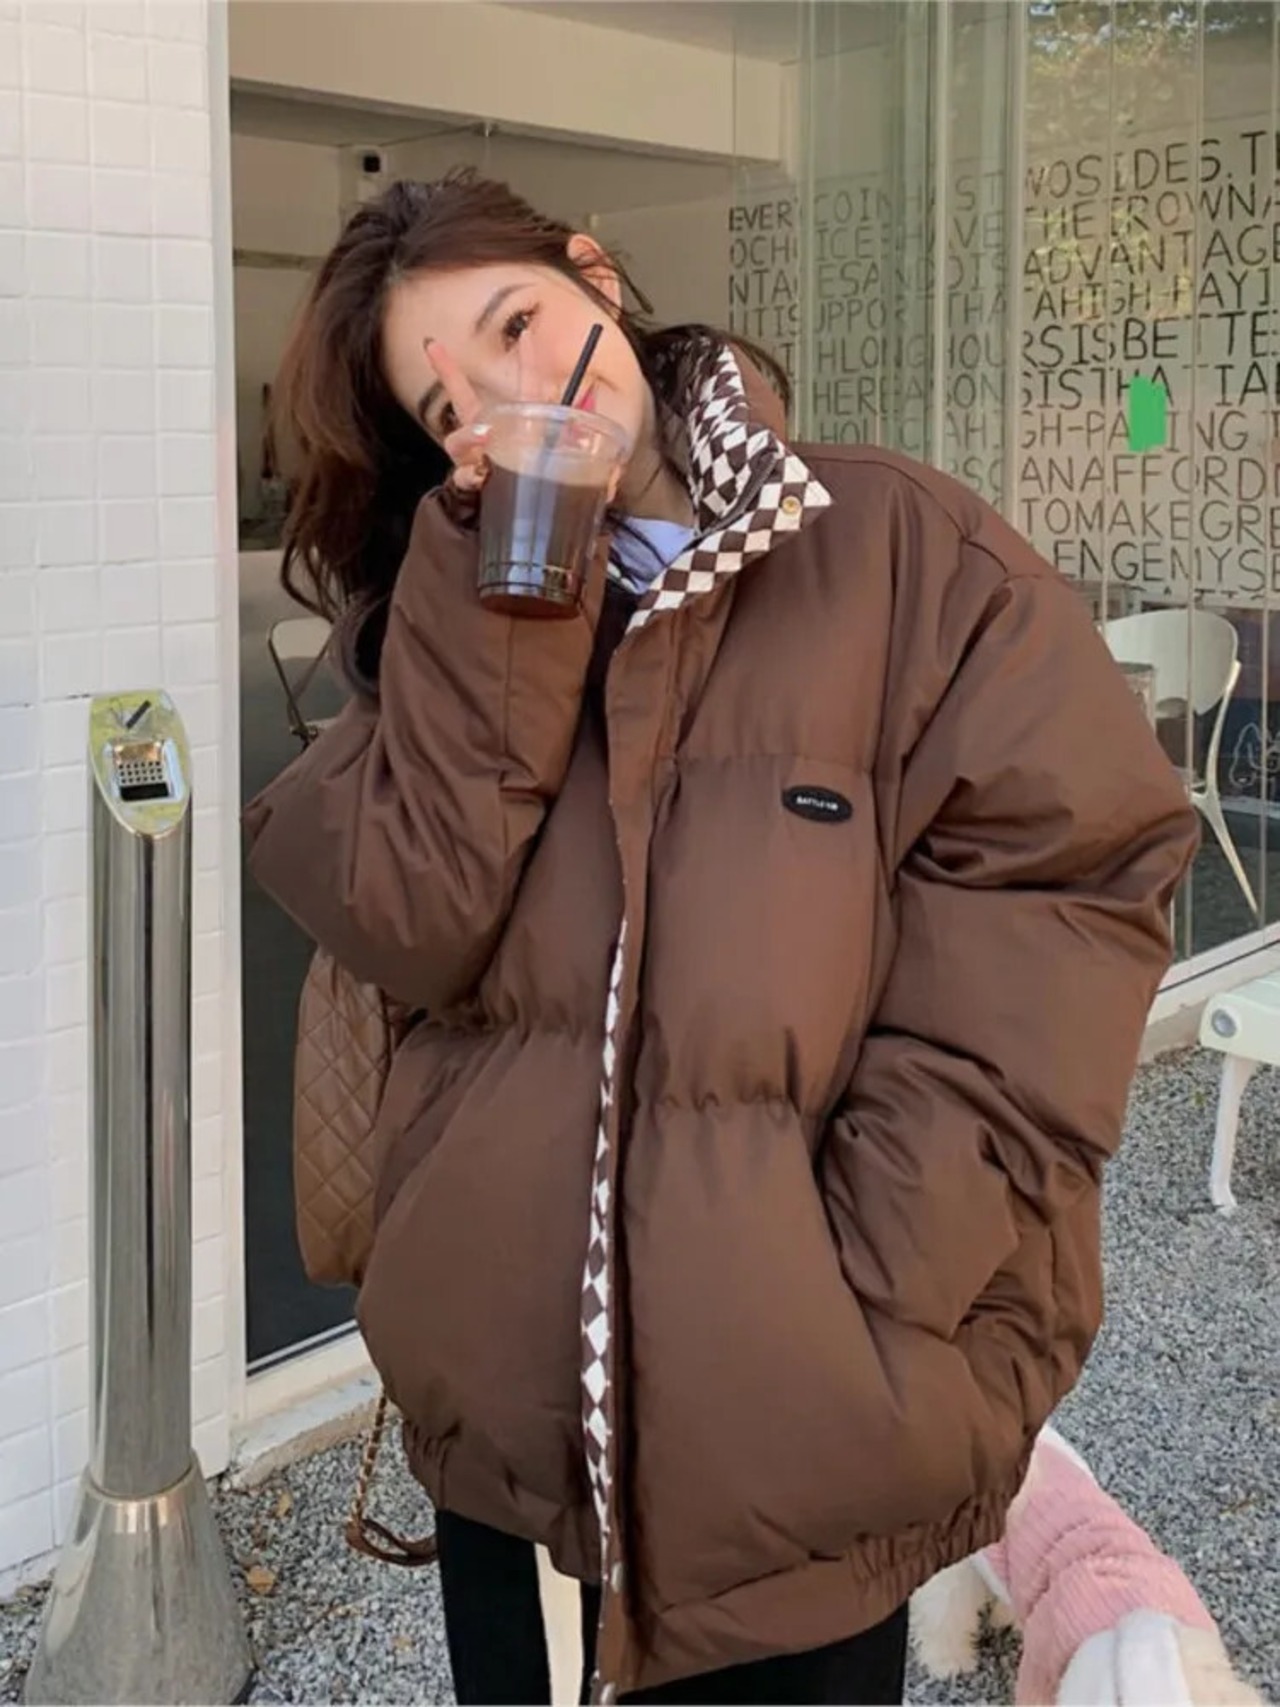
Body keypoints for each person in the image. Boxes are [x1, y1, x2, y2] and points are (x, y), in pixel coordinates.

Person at [244, 170, 1199, 1706]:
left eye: (516, 325)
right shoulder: (452, 626)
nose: (507, 399)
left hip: (806, 1433)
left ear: (597, 278)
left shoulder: (900, 547)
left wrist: (872, 1286)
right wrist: (506, 622)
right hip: (513, 1434)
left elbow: (1065, 882)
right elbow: (413, 925)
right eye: (449, 404)